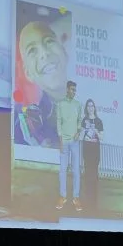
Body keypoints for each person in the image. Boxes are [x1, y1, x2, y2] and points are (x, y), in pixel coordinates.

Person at [14, 20, 68, 148]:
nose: (44, 53)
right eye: (32, 50)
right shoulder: (29, 129)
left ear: (64, 51)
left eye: (49, 41)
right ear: (28, 73)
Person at [56, 81, 83, 212]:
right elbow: (58, 122)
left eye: (75, 90)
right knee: (62, 170)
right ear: (67, 89)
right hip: (64, 142)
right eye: (72, 89)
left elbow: (80, 120)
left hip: (75, 142)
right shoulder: (60, 104)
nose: (73, 92)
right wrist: (60, 140)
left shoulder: (78, 104)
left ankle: (76, 198)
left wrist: (78, 131)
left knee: (76, 170)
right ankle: (63, 196)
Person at [81, 98, 104, 210]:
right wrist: (84, 131)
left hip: (95, 151)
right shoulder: (84, 120)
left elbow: (102, 137)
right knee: (87, 174)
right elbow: (81, 135)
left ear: (94, 108)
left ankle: (94, 200)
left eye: (92, 106)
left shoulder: (99, 121)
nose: (90, 108)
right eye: (88, 106)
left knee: (94, 174)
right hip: (86, 150)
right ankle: (87, 199)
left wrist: (95, 131)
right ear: (86, 108)